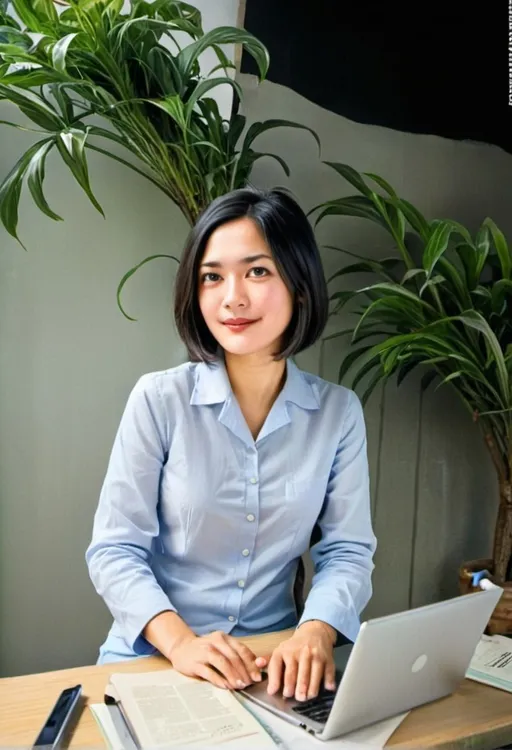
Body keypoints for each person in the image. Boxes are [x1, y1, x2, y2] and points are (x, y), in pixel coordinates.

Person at [85, 186, 377, 703]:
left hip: (274, 666)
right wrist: (182, 645)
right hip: (156, 660)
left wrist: (315, 632)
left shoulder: (338, 413)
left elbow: (347, 550)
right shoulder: (159, 399)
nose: (232, 298)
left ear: (301, 285)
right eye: (212, 277)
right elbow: (114, 549)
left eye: (257, 271)